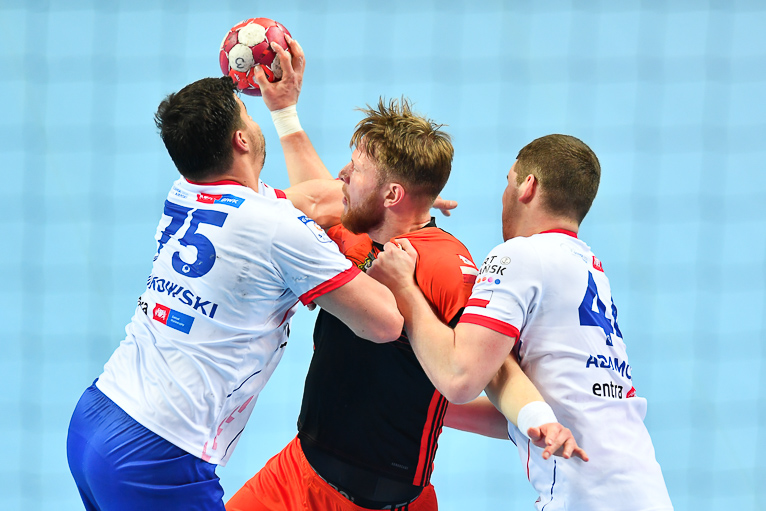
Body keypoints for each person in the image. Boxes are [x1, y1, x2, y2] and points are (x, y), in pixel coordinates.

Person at [226, 37, 585, 511]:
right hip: (296, 478)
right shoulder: (357, 237)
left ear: (392, 195)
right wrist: (285, 111)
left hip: (386, 504)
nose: (342, 175)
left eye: (355, 169)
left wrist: (537, 416)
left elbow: (491, 364)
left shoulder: (443, 265)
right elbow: (320, 199)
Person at [65, 73, 407, 511]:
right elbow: (384, 323)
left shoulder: (189, 191)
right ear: (241, 139)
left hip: (96, 419)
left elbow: (314, 202)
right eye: (249, 113)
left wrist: (390, 199)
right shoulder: (277, 228)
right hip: (156, 453)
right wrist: (401, 266)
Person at [369, 134, 674, 510]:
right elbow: (529, 419)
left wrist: (404, 287)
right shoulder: (589, 269)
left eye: (508, 182)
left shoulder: (522, 254)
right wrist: (416, 407)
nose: (504, 195)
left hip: (584, 498)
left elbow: (460, 377)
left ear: (528, 186)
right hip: (642, 488)